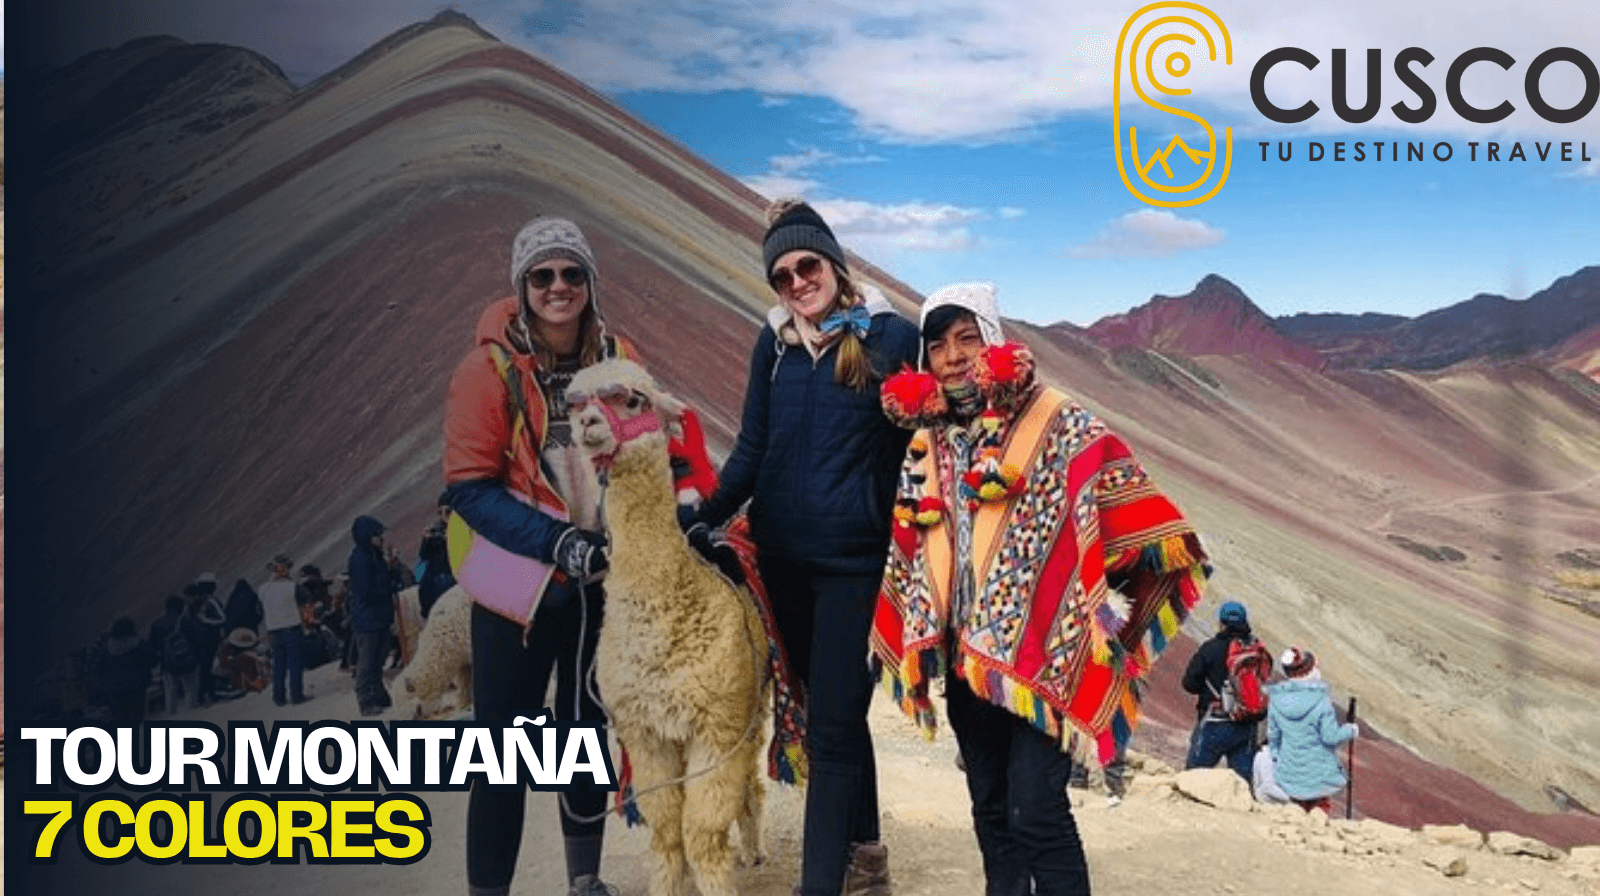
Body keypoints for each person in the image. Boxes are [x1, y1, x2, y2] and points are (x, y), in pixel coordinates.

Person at [871, 283, 1211, 896]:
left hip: (1047, 660)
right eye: (938, 344)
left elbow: (1118, 490)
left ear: (994, 342)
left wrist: (1099, 601)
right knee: (991, 810)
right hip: (967, 659)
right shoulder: (928, 442)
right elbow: (915, 543)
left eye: (967, 339)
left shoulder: (1057, 421)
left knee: (1037, 810)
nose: (952, 356)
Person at [682, 199, 919, 896]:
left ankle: (822, 885)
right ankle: (867, 857)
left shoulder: (890, 338)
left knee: (835, 729)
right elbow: (754, 446)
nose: (796, 283)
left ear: (833, 262)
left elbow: (926, 433)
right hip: (783, 561)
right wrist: (703, 514)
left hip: (854, 566)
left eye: (806, 265)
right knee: (828, 710)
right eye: (781, 276)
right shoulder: (775, 345)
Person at [443, 215, 625, 896]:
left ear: (589, 283)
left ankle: (585, 880)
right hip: (516, 593)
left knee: (585, 733)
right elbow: (468, 487)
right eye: (543, 275)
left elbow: (646, 451)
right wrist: (555, 542)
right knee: (503, 752)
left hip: (595, 585)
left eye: (572, 273)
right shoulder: (485, 369)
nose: (559, 287)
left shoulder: (617, 355)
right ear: (522, 286)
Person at [1266, 647, 1358, 812]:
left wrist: (1277, 760)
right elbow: (1329, 737)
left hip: (1289, 774)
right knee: (1320, 811)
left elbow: (1274, 738)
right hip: (1318, 775)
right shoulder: (1321, 701)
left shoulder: (1277, 701)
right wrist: (1350, 730)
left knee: (1296, 810)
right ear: (1308, 671)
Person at [1182, 600, 1266, 781]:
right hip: (1247, 724)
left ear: (1222, 623)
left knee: (1193, 779)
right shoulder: (1255, 650)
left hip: (1214, 720)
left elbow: (1189, 683)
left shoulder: (1210, 648)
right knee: (1242, 784)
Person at [348, 515, 397, 717]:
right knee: (367, 662)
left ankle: (378, 694)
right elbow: (365, 591)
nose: (381, 538)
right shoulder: (360, 559)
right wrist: (386, 589)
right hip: (367, 618)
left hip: (379, 616)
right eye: (377, 535)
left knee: (379, 658)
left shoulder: (374, 556)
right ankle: (365, 699)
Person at [259, 553, 313, 707]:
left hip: (273, 631)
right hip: (292, 628)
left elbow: (260, 609)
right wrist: (307, 619)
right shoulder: (292, 587)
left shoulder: (263, 589)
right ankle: (296, 695)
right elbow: (307, 601)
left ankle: (279, 697)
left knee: (278, 665)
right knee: (295, 663)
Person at [148, 593, 206, 714]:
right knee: (190, 690)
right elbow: (197, 638)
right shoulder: (184, 620)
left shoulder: (156, 624)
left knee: (170, 694)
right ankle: (191, 715)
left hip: (168, 665)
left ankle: (172, 718)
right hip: (188, 661)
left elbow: (153, 646)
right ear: (180, 607)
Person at [100, 617, 158, 722]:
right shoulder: (140, 643)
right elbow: (154, 660)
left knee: (120, 719)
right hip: (137, 686)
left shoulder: (106, 648)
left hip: (114, 689)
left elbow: (99, 668)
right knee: (136, 717)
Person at [185, 572, 226, 705]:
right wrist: (207, 621)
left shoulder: (194, 604)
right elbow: (223, 619)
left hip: (196, 643)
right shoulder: (211, 601)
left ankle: (203, 695)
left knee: (204, 669)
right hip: (210, 640)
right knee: (209, 668)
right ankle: (209, 694)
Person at [417, 492, 457, 618]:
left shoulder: (460, 529)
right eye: (440, 512)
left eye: (447, 511)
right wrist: (426, 540)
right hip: (439, 582)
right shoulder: (435, 531)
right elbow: (424, 556)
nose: (444, 516)